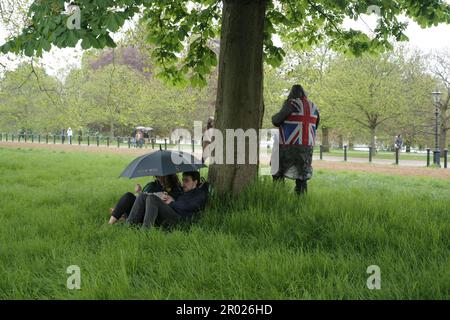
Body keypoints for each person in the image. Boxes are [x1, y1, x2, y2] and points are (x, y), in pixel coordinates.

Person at [271, 84, 320, 195]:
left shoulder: (291, 104)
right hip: (307, 147)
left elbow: (276, 121)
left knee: (277, 171)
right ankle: (300, 200)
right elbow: (316, 125)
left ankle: (278, 196)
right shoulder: (314, 107)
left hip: (288, 145)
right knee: (302, 176)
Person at [127, 171, 207, 229]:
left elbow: (188, 206)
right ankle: (129, 226)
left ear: (195, 182)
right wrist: (168, 199)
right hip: (172, 214)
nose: (183, 184)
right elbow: (178, 203)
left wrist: (172, 202)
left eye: (186, 181)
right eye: (183, 180)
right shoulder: (184, 191)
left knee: (152, 198)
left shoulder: (200, 194)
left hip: (180, 221)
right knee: (143, 196)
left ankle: (145, 231)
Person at [108, 175, 182, 225]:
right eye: (157, 175)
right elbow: (141, 199)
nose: (158, 177)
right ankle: (110, 223)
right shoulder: (152, 185)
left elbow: (177, 205)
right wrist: (139, 192)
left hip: (156, 215)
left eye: (161, 176)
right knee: (129, 195)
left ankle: (126, 218)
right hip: (142, 210)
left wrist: (170, 199)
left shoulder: (176, 188)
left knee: (152, 199)